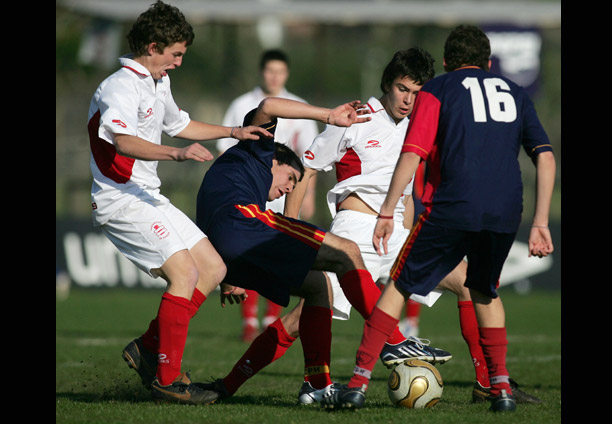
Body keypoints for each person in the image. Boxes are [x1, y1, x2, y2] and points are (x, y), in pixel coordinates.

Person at [196, 48, 454, 406]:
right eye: (402, 89)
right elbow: (307, 168)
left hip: (395, 232)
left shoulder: (418, 126)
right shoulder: (357, 119)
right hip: (358, 229)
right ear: (387, 84)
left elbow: (408, 191)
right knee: (303, 314)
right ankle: (234, 384)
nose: (408, 100)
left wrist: (408, 231)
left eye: (416, 92)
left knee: (470, 281)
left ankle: (494, 384)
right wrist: (291, 225)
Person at [320, 25, 555, 413]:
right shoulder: (516, 92)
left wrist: (387, 210)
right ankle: (500, 389)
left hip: (452, 205)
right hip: (506, 209)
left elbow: (413, 153)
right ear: (488, 62)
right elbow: (544, 156)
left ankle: (358, 383)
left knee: (398, 286)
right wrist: (541, 222)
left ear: (446, 62)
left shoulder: (438, 90)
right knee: (484, 291)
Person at [87, 0, 271, 405]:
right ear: (153, 47)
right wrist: (176, 153)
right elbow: (124, 141)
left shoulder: (158, 82)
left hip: (147, 196)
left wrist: (234, 132)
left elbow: (179, 124)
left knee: (213, 268)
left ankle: (148, 347)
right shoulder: (119, 86)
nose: (178, 62)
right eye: (175, 54)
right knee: (184, 273)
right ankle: (167, 379)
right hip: (119, 200)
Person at [216, 49, 320, 342]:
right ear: (262, 72)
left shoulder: (299, 107)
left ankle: (271, 318)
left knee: (279, 252)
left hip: (285, 191)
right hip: (250, 190)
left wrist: (307, 195)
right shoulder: (242, 105)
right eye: (270, 71)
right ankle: (249, 321)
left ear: (286, 74)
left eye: (280, 71)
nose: (274, 76)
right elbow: (226, 150)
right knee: (249, 252)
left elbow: (308, 158)